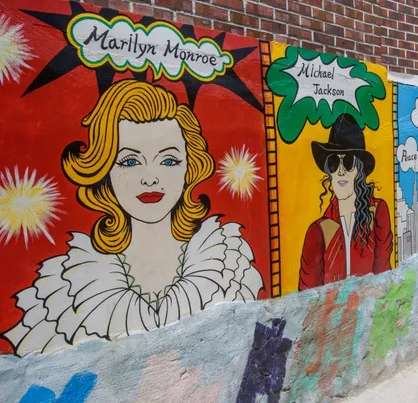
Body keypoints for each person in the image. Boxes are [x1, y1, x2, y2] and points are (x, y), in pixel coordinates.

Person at [2, 80, 263, 357]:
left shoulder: (228, 261)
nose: (150, 178)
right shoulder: (66, 290)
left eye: (169, 161)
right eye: (129, 161)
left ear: (190, 167)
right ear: (104, 170)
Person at [299, 114, 393, 290]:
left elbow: (383, 277)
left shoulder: (377, 213)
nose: (341, 171)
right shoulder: (318, 231)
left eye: (348, 162)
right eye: (334, 163)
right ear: (329, 172)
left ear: (359, 169)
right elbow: (307, 296)